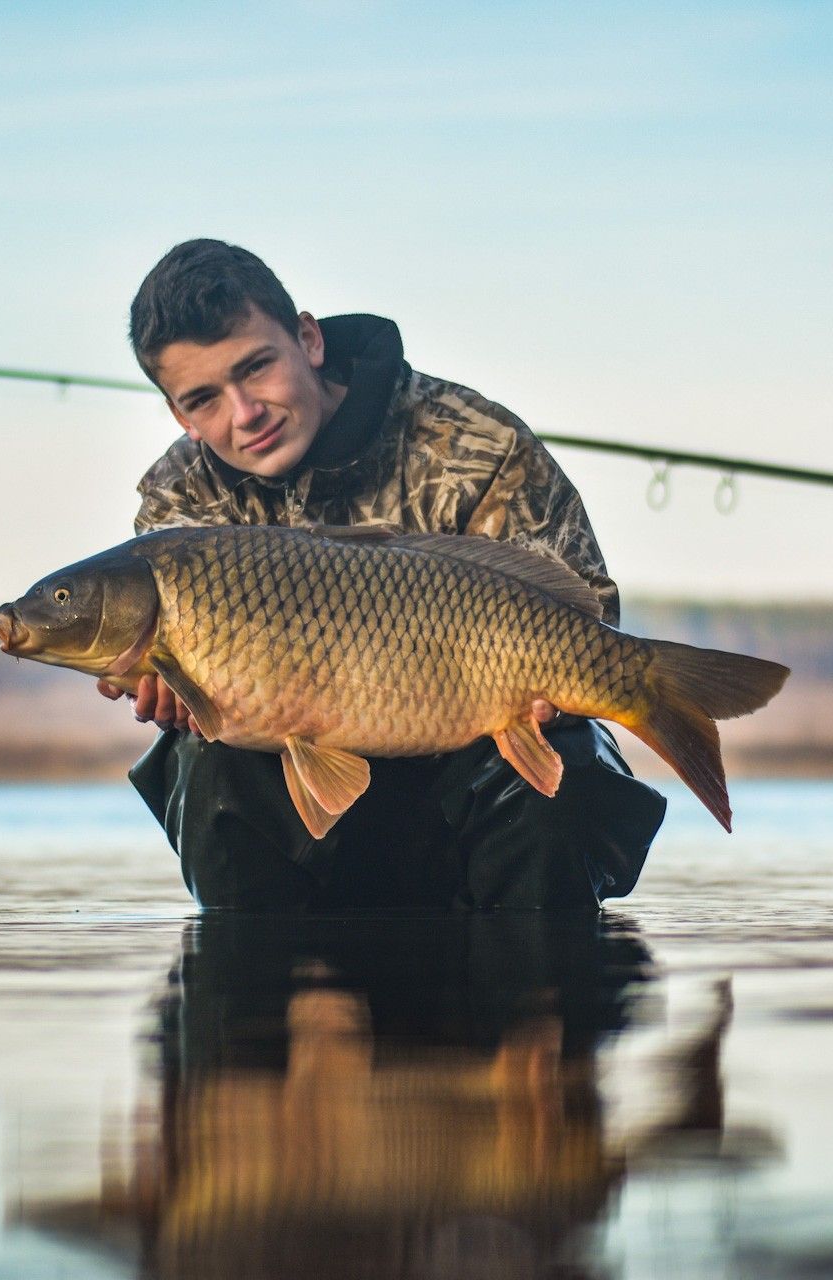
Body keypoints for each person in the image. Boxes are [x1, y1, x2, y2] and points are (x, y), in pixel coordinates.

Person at [103, 239, 666, 911]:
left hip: (471, 776)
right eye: (204, 399)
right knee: (204, 763)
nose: (243, 413)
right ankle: (274, 995)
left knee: (567, 756)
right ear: (178, 415)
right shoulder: (181, 508)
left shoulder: (475, 445)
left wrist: (542, 686)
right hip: (309, 799)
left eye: (256, 368)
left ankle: (534, 994)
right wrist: (180, 699)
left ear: (308, 340)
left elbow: (585, 612)